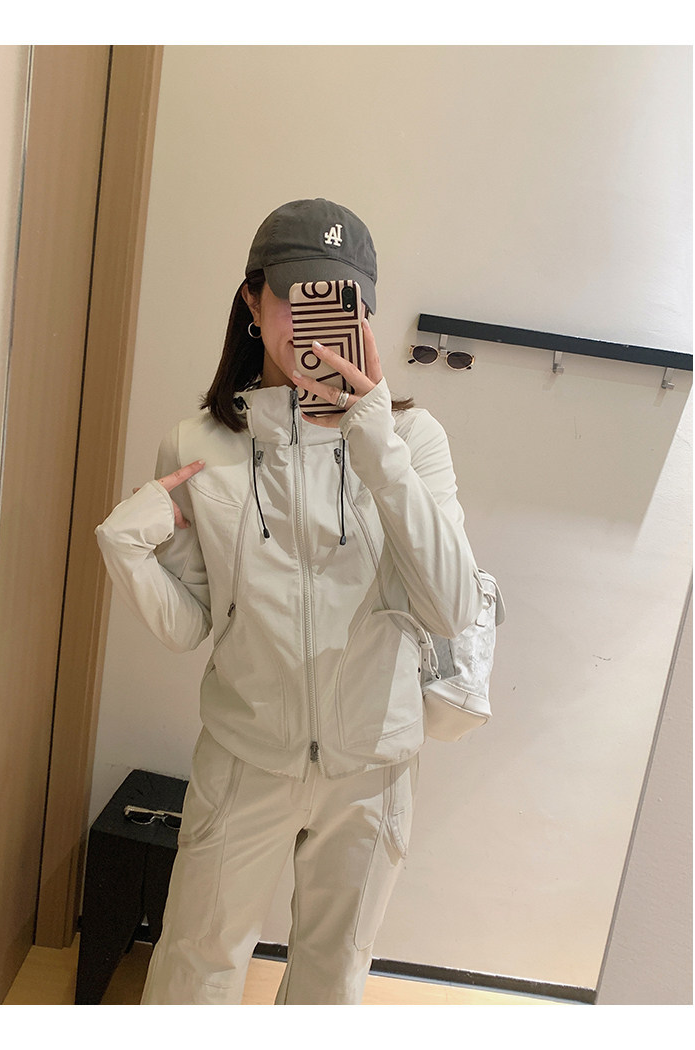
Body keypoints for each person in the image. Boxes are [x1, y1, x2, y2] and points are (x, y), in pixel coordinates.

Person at [95, 197, 483, 1005]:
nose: (312, 323)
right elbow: (191, 624)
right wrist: (126, 551)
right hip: (245, 756)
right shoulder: (198, 444)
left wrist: (372, 439)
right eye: (295, 294)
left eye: (337, 300)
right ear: (252, 298)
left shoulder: (412, 442)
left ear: (365, 314)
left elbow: (450, 607)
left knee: (331, 981)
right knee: (194, 968)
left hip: (372, 765)